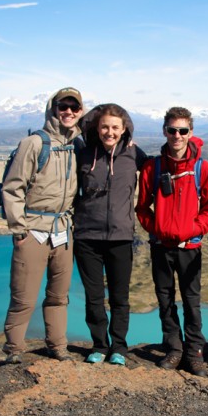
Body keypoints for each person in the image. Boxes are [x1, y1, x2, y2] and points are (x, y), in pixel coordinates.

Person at [1, 87, 84, 364]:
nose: (68, 112)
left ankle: (58, 347)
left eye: (74, 107)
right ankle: (14, 350)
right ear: (53, 109)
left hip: (63, 230)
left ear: (80, 112)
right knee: (24, 296)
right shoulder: (35, 144)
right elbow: (13, 189)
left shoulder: (78, 145)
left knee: (59, 296)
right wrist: (19, 230)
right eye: (63, 106)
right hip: (34, 229)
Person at [135, 107, 208, 377]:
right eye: (172, 130)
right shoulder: (153, 167)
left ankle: (194, 352)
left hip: (190, 247)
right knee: (165, 299)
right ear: (164, 131)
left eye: (183, 131)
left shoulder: (203, 169)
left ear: (190, 133)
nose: (177, 136)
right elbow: (142, 207)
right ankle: (174, 349)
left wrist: (195, 229)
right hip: (161, 246)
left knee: (191, 301)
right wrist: (156, 228)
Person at [73, 103, 147, 367]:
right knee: (93, 297)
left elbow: (159, 168)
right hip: (87, 237)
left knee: (119, 297)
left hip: (120, 236)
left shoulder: (134, 153)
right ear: (96, 127)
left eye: (115, 127)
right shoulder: (83, 153)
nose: (109, 131)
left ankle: (119, 346)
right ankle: (99, 344)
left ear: (124, 128)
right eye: (104, 126)